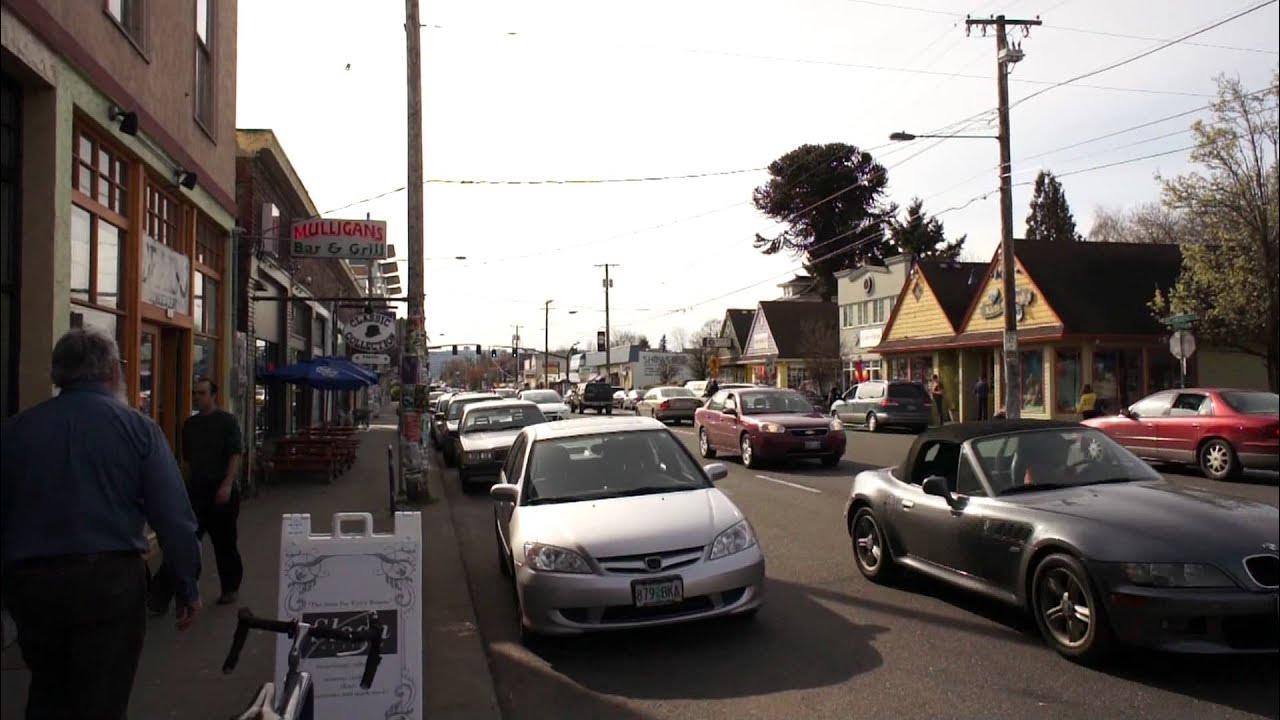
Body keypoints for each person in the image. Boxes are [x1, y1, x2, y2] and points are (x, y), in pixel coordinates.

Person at [1, 328, 201, 719]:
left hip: (33, 584)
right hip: (107, 583)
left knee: (48, 688)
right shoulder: (138, 429)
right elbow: (174, 518)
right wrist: (186, 585)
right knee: (103, 696)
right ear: (112, 371)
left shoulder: (15, 432)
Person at [151, 377, 245, 611]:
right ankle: (159, 595)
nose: (197, 397)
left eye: (202, 393)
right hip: (197, 491)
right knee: (184, 542)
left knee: (225, 543)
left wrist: (227, 483)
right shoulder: (190, 425)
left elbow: (235, 453)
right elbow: (187, 461)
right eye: (194, 393)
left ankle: (230, 587)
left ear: (213, 395)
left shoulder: (227, 422)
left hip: (221, 490)